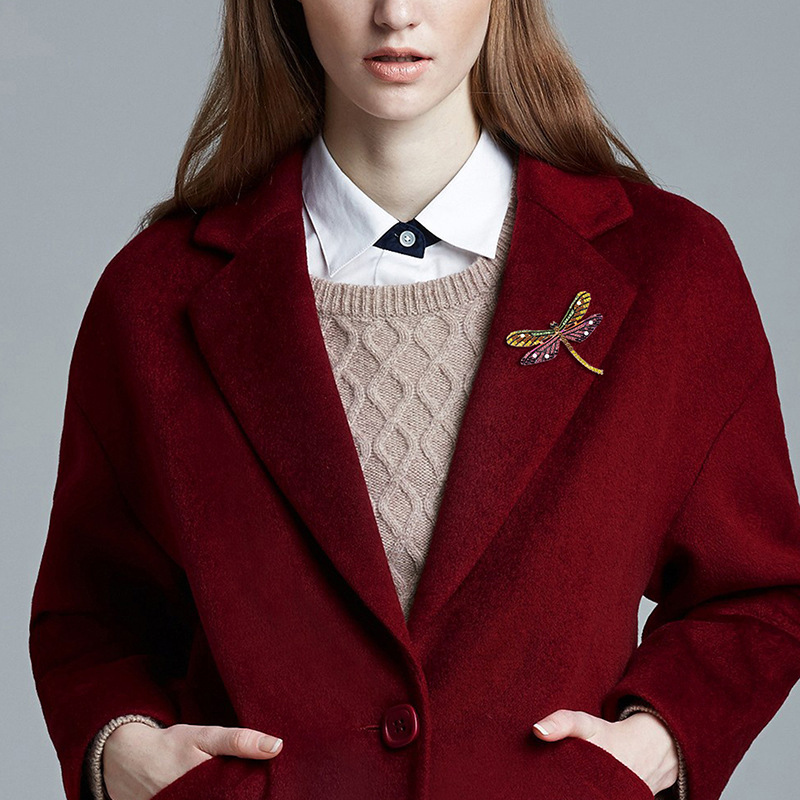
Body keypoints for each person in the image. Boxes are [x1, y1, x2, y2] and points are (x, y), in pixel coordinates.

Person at [29, 1, 800, 800]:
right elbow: (90, 619)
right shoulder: (154, 297)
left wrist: (654, 744)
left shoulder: (671, 271)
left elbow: (759, 586)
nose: (395, 13)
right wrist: (122, 754)